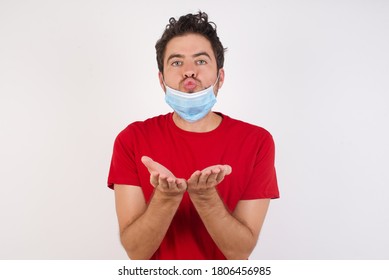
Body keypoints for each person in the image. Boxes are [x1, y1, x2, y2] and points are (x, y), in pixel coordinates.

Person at [107, 11, 279, 260]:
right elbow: (136, 252)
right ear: (161, 80)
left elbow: (240, 251)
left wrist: (205, 197)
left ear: (220, 77)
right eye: (176, 62)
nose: (189, 72)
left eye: (200, 61)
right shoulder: (132, 139)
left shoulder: (257, 142)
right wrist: (165, 198)